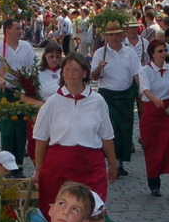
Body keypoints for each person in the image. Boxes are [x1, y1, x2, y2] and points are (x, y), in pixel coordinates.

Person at [31, 54, 116, 210]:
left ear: (84, 73)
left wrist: (112, 163)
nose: (70, 74)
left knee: (91, 209)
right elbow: (41, 139)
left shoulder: (97, 101)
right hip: (59, 165)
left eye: (75, 70)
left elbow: (107, 136)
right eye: (67, 69)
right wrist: (38, 169)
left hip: (90, 164)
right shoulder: (52, 103)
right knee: (60, 210)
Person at [137, 37, 169, 198]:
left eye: (165, 50)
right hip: (152, 113)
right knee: (153, 149)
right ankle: (154, 184)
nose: (164, 53)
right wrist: (154, 99)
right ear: (152, 54)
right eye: (160, 51)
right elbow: (145, 89)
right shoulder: (145, 71)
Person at [91, 21, 141, 176]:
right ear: (107, 36)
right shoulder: (100, 53)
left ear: (122, 35)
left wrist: (141, 90)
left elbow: (137, 73)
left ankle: (120, 162)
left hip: (126, 95)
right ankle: (110, 161)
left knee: (125, 130)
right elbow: (93, 77)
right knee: (110, 129)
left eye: (117, 34)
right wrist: (100, 67)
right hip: (108, 95)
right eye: (111, 34)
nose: (114, 37)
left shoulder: (130, 52)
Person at [0, 18, 38, 165]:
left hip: (23, 91)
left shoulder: (26, 47)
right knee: (6, 126)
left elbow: (34, 67)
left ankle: (18, 162)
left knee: (21, 126)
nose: (20, 31)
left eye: (20, 28)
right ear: (8, 30)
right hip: (6, 90)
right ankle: (6, 162)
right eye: (17, 28)